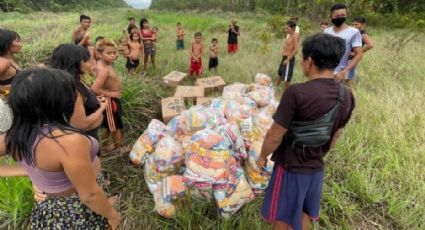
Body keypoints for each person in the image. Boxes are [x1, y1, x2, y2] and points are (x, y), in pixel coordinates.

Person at [0, 67, 121, 229]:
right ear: (54, 101)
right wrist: (112, 215)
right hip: (76, 205)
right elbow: (89, 195)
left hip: (52, 206)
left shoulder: (15, 134)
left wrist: (32, 174)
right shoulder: (69, 142)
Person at [257, 33, 355, 230]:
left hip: (290, 170)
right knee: (303, 213)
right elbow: (335, 136)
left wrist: (262, 156)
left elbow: (275, 135)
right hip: (316, 170)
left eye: (303, 58)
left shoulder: (296, 92)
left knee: (282, 219)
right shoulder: (347, 96)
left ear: (309, 61)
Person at [50, 44, 107, 142]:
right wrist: (101, 108)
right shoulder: (73, 88)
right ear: (75, 63)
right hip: (84, 141)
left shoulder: (62, 82)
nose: (90, 64)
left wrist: (93, 100)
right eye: (86, 61)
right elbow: (80, 124)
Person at [92, 39, 123, 151]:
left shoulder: (102, 65)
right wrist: (112, 94)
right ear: (100, 54)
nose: (112, 56)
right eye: (109, 53)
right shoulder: (104, 69)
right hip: (110, 101)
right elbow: (95, 89)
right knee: (116, 127)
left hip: (111, 99)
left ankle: (105, 147)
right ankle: (118, 149)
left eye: (114, 53)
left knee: (111, 126)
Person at [324, 3, 363, 82]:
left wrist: (345, 71)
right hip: (326, 73)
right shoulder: (326, 32)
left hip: (342, 74)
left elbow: (359, 54)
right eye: (337, 16)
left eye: (343, 15)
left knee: (342, 93)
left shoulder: (353, 32)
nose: (340, 17)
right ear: (331, 16)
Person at [346, 16, 374, 87]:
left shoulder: (363, 34)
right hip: (348, 56)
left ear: (363, 25)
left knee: (348, 76)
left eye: (356, 24)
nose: (354, 26)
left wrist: (357, 52)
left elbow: (370, 45)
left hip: (353, 57)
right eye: (353, 24)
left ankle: (349, 91)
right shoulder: (356, 32)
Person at [276, 20, 299, 91]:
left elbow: (296, 49)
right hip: (284, 57)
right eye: (285, 28)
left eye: (287, 28)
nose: (286, 29)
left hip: (289, 58)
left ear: (292, 28)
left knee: (287, 77)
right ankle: (275, 87)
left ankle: (286, 93)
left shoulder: (295, 35)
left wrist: (288, 59)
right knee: (280, 72)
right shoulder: (289, 35)